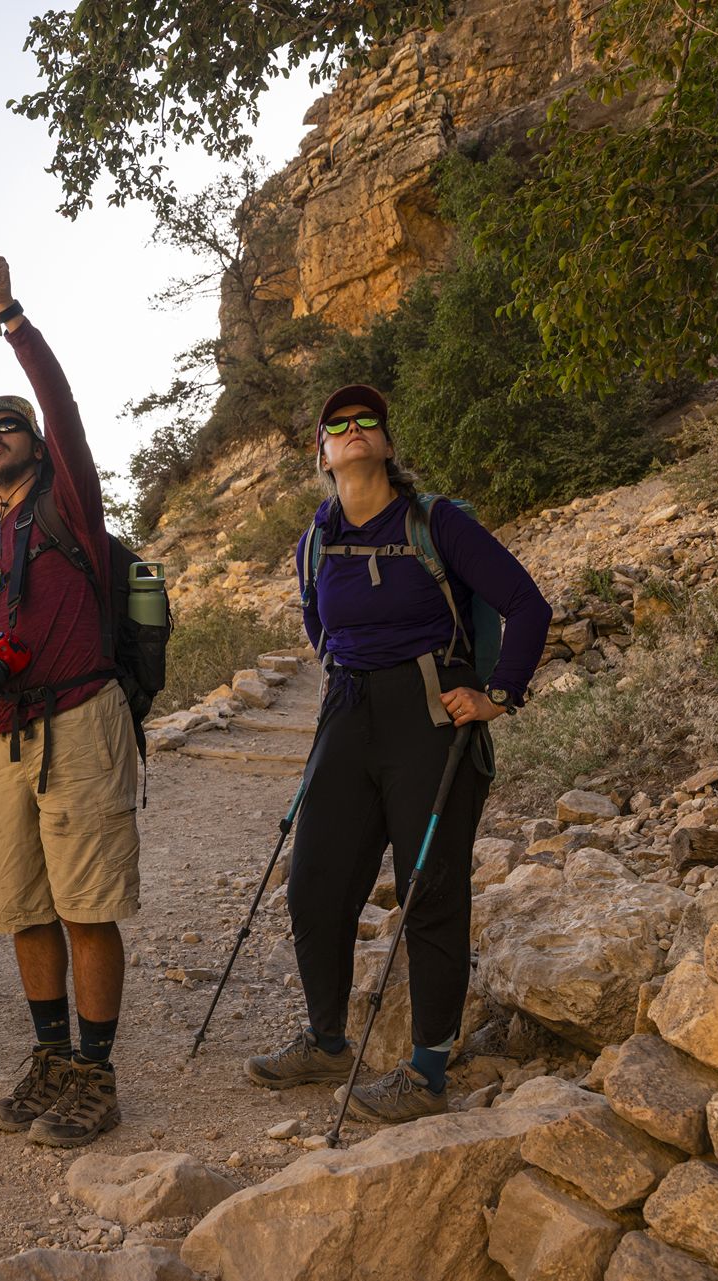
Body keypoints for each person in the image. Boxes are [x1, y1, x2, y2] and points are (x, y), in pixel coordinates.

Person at [243, 383, 552, 1123]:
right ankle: (325, 1040)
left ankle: (426, 1071)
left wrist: (498, 694)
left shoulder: (435, 522)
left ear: (386, 442)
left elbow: (528, 606)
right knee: (315, 881)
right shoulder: (315, 541)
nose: (352, 430)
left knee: (431, 891)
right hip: (347, 713)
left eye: (366, 422)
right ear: (322, 454)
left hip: (430, 714)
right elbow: (319, 628)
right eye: (337, 426)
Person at [0, 243, 139, 1149]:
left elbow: (60, 406)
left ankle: (96, 1077)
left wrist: (11, 317)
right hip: (14, 735)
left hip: (83, 719)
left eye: (4, 426)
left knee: (84, 903)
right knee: (22, 906)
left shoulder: (70, 507)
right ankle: (52, 1056)